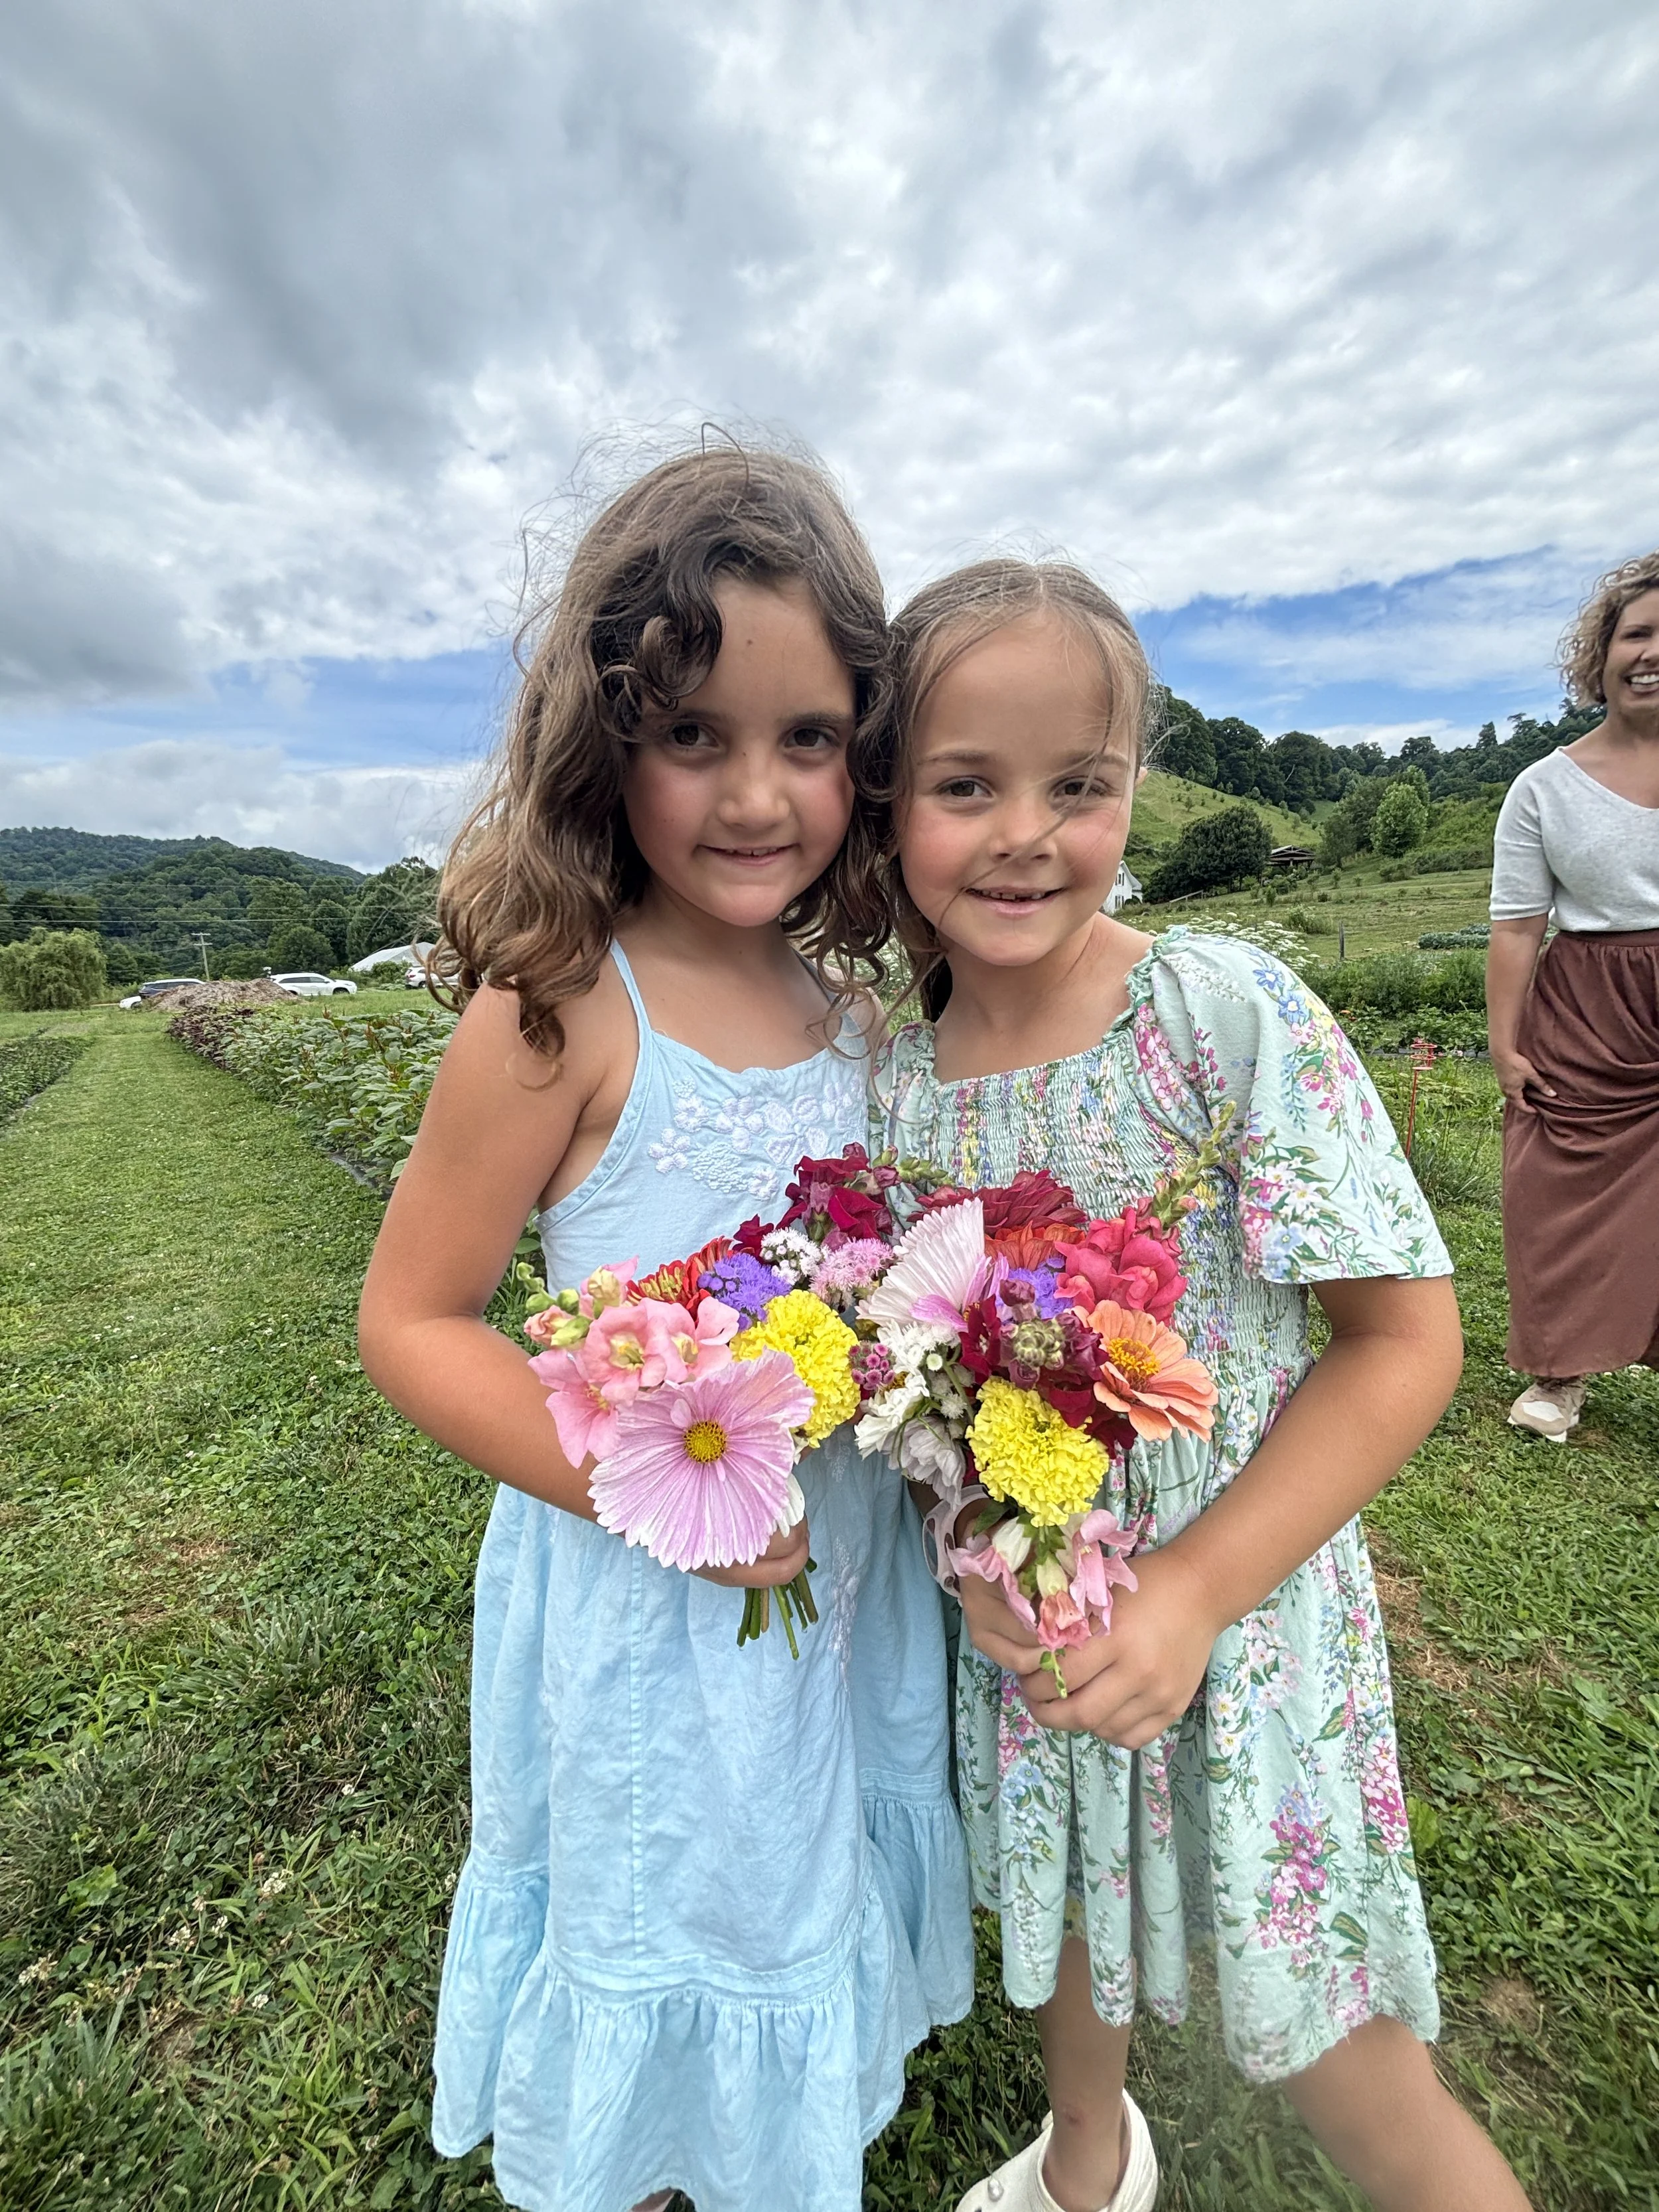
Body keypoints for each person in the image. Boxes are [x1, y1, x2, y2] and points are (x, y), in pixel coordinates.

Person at [870, 559, 1530, 2212]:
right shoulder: (883, 1079)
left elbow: (1403, 1339)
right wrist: (974, 1555)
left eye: (1076, 785)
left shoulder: (1217, 1017)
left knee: (1327, 2019)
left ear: (1132, 791)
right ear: (883, 803)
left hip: (1236, 1615)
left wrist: (1187, 1590)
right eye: (964, 785)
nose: (1025, 832)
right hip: (1025, 1609)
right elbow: (913, 1370)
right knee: (1076, 1904)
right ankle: (1087, 2152)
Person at [358, 447, 972, 2212]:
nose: (755, 794)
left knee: (788, 1869)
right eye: (692, 735)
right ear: (602, 737)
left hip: (827, 1567)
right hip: (646, 1585)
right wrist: (646, 1485)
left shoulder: (851, 1012)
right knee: (662, 1883)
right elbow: (413, 1319)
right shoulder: (560, 1001)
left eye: (807, 737)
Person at [1486, 552, 1659, 1441]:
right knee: (1556, 1186)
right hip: (1592, 1004)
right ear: (1602, 655)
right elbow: (1518, 927)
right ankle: (1559, 1376)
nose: (1652, 653)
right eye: (1639, 633)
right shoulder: (1543, 787)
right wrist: (1505, 1044)